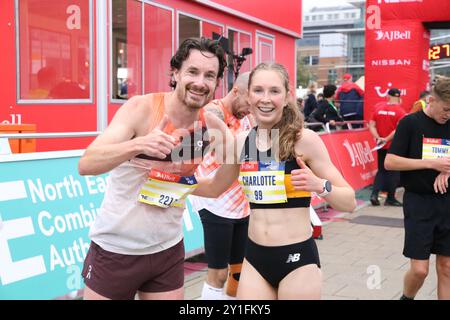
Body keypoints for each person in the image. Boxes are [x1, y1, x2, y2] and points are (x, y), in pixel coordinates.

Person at [77, 37, 227, 300]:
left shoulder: (210, 126)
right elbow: (87, 163)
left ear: (216, 83)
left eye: (209, 75)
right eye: (192, 71)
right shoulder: (142, 108)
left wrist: (240, 154)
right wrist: (138, 145)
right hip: (116, 249)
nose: (200, 82)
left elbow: (213, 188)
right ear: (176, 73)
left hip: (167, 250)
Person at [193, 62, 356, 299]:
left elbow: (349, 201)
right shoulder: (241, 142)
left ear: (287, 96)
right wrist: (171, 181)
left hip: (297, 261)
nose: (265, 99)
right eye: (258, 90)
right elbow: (214, 186)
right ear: (248, 96)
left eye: (274, 91)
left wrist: (320, 186)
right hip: (255, 260)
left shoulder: (304, 140)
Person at [188, 72, 253, 300]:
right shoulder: (213, 111)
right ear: (236, 91)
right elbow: (224, 151)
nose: (249, 109)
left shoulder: (246, 117)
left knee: (239, 272)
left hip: (241, 202)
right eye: (248, 102)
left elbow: (251, 155)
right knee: (218, 273)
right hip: (215, 202)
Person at [385, 76, 450, 300]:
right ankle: (407, 297)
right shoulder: (410, 123)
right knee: (420, 270)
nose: (448, 115)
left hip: (447, 201)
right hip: (418, 202)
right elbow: (390, 162)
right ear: (431, 100)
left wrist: (447, 169)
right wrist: (431, 163)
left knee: (447, 267)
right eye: (446, 109)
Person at [369, 88, 406, 206]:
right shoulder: (401, 112)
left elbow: (372, 125)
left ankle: (374, 194)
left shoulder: (378, 109)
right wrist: (387, 139)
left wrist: (379, 138)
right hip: (394, 146)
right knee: (394, 172)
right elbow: (398, 129)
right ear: (399, 97)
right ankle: (390, 198)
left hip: (380, 146)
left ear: (387, 96)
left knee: (381, 170)